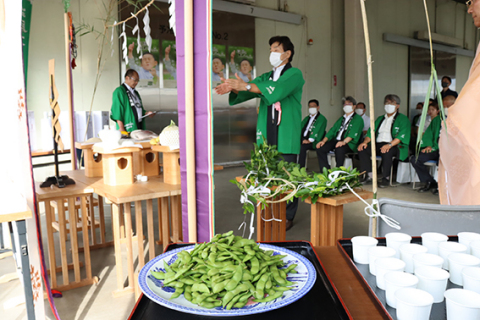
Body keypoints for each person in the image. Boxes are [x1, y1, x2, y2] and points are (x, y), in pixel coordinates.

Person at [215, 36, 304, 231]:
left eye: (276, 49)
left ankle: (288, 215)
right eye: (270, 49)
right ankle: (270, 208)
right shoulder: (266, 77)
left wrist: (245, 85)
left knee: (288, 176)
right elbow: (250, 90)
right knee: (267, 174)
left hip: (285, 133)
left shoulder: (295, 75)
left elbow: (278, 90)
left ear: (287, 54)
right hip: (267, 133)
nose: (272, 53)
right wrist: (234, 87)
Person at [358, 94, 410, 188]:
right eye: (387, 102)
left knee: (387, 151)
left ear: (397, 105)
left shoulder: (403, 119)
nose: (388, 104)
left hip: (394, 145)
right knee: (362, 149)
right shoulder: (379, 119)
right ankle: (369, 175)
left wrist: (389, 145)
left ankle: (385, 177)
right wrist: (365, 142)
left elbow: (400, 137)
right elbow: (370, 133)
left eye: (392, 103)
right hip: (378, 144)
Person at [316, 96, 363, 171]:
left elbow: (353, 134)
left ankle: (338, 171)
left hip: (349, 143)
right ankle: (325, 170)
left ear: (354, 106)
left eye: (349, 104)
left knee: (339, 149)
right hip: (337, 141)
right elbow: (332, 130)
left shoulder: (357, 119)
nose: (346, 106)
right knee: (320, 148)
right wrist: (323, 141)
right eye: (345, 104)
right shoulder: (341, 119)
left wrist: (343, 142)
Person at [410, 102, 441, 193]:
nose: (430, 111)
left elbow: (436, 137)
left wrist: (431, 146)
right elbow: (421, 133)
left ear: (438, 111)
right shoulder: (427, 119)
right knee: (414, 159)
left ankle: (430, 182)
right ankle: (430, 180)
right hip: (427, 147)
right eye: (429, 109)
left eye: (433, 110)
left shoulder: (438, 120)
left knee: (415, 160)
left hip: (435, 149)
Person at [298, 99, 327, 168]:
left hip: (313, 141)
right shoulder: (307, 118)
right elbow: (300, 128)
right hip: (303, 139)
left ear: (318, 107)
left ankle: (300, 168)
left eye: (313, 106)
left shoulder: (322, 119)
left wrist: (309, 140)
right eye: (310, 106)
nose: (311, 108)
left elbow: (317, 131)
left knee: (302, 148)